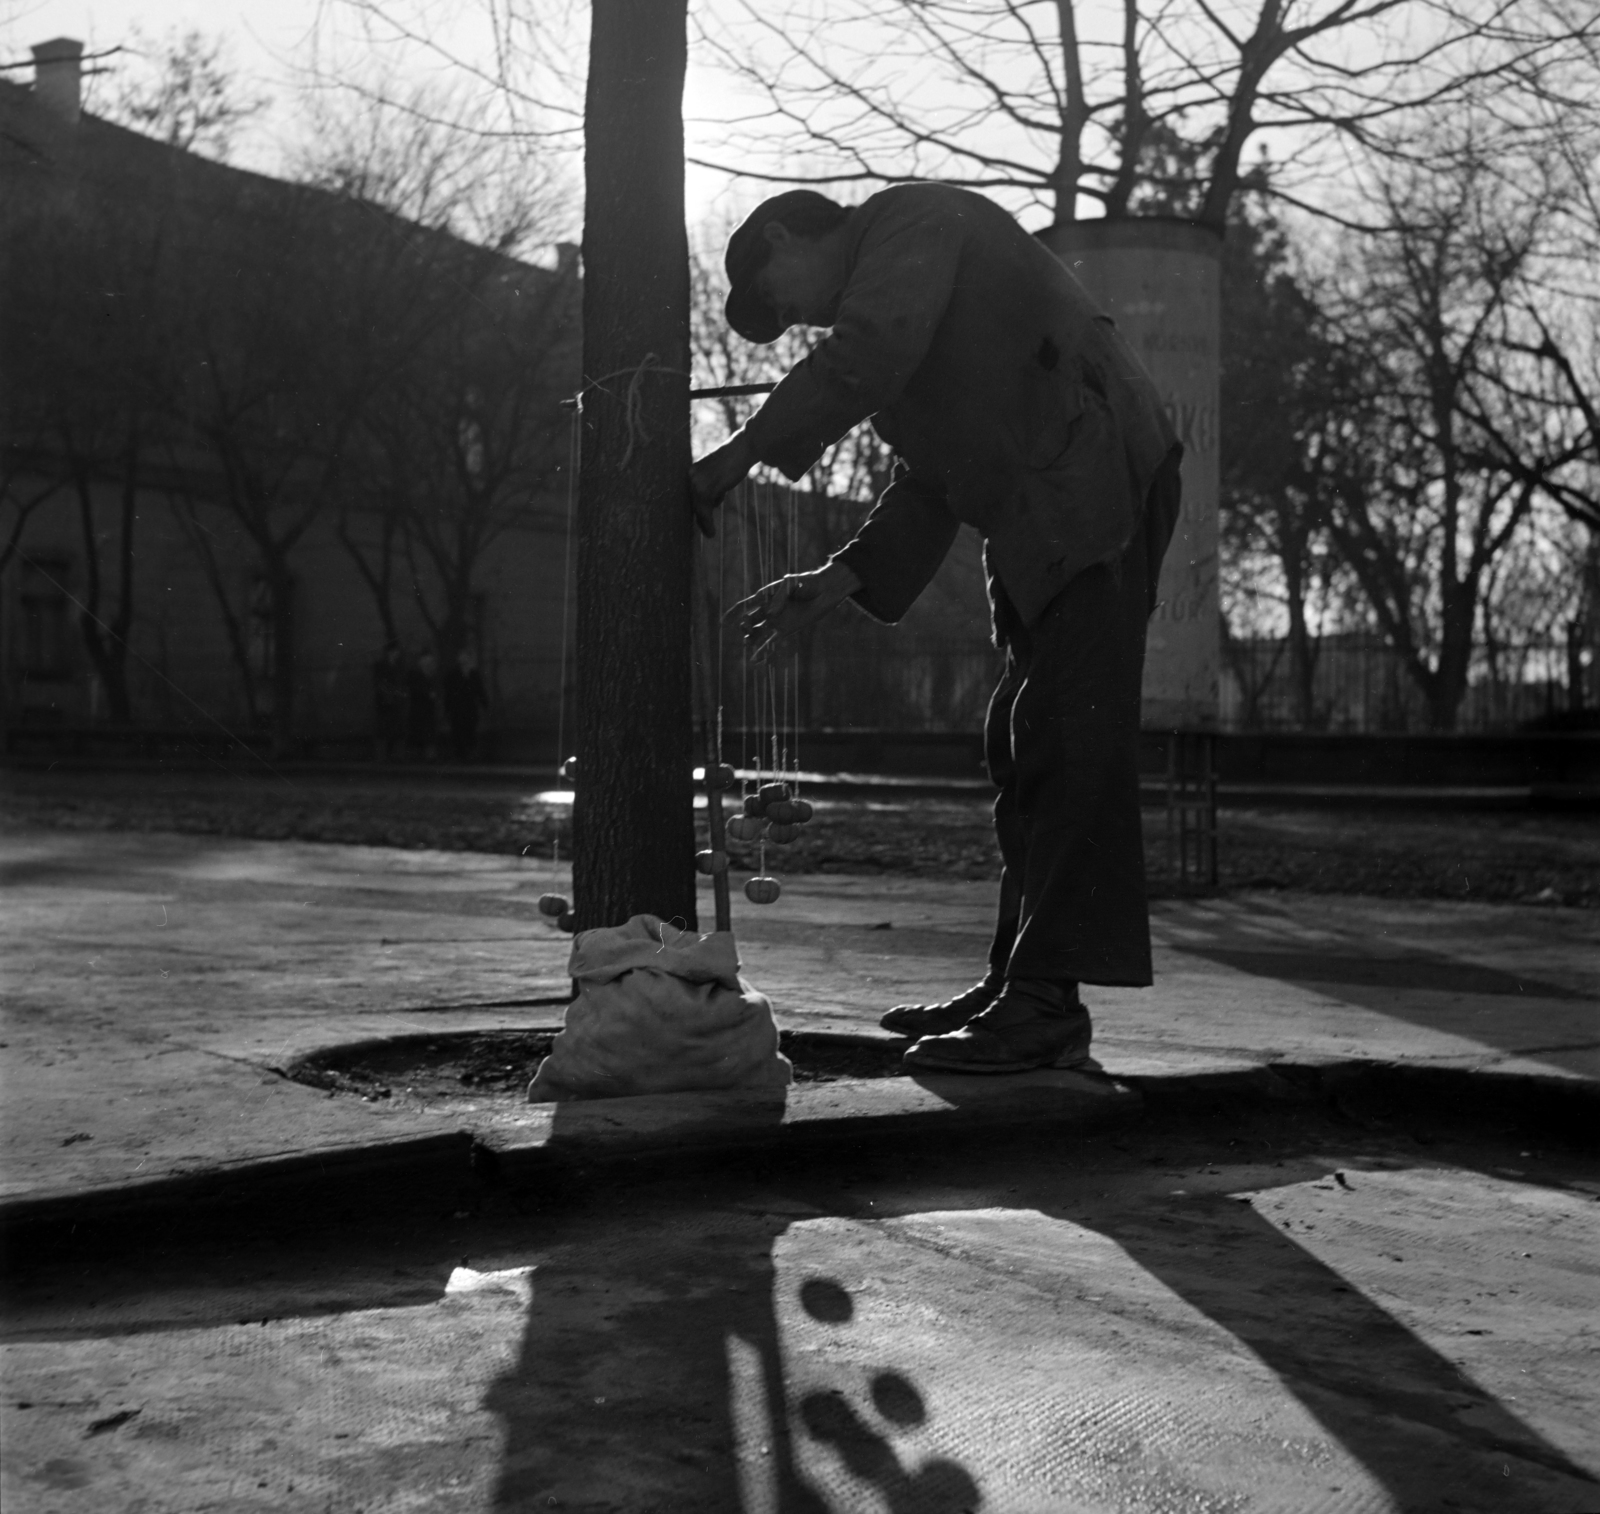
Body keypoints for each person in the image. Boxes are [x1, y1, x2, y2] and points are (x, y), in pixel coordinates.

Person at [689, 185, 1182, 1075]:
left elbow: (866, 353)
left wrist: (732, 460)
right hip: (1041, 507)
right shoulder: (904, 316)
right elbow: (929, 481)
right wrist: (835, 581)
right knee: (1023, 742)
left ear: (783, 232)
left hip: (1092, 478)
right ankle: (1016, 982)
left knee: (1072, 741)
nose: (794, 319)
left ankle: (1044, 1005)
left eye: (779, 295)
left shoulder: (911, 224)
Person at [442, 648, 489, 761]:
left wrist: (485, 703)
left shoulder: (473, 674)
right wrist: (447, 708)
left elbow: (479, 690)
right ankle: (461, 754)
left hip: (470, 708)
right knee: (458, 731)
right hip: (457, 709)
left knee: (470, 731)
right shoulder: (453, 675)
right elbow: (449, 693)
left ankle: (468, 754)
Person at [371, 641, 407, 762]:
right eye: (396, 651)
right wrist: (393, 693)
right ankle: (382, 757)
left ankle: (396, 757)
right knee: (383, 730)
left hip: (395, 702)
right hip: (385, 703)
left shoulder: (398, 666)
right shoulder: (380, 665)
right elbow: (380, 684)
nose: (398, 653)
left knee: (397, 730)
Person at [406, 649, 440, 761]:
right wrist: (427, 694)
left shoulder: (432, 675)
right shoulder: (415, 674)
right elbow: (414, 689)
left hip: (428, 710)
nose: (430, 663)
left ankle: (429, 756)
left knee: (428, 734)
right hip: (419, 709)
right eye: (427, 661)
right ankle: (417, 756)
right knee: (419, 733)